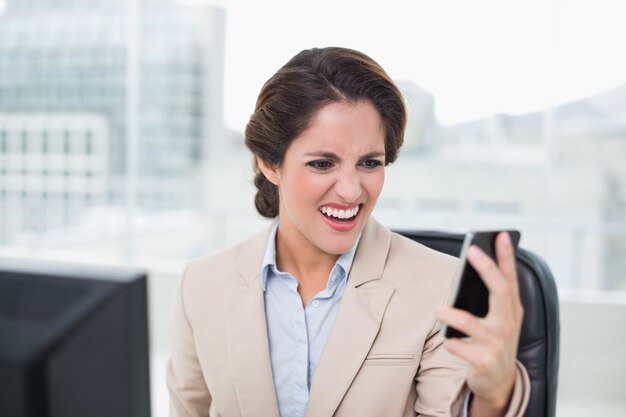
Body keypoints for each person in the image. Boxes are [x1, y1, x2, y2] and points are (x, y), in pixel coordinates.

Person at [166, 46, 530, 417]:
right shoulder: (201, 285)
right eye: (323, 163)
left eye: (370, 163)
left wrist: (493, 395)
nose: (352, 190)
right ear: (270, 164)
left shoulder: (440, 286)